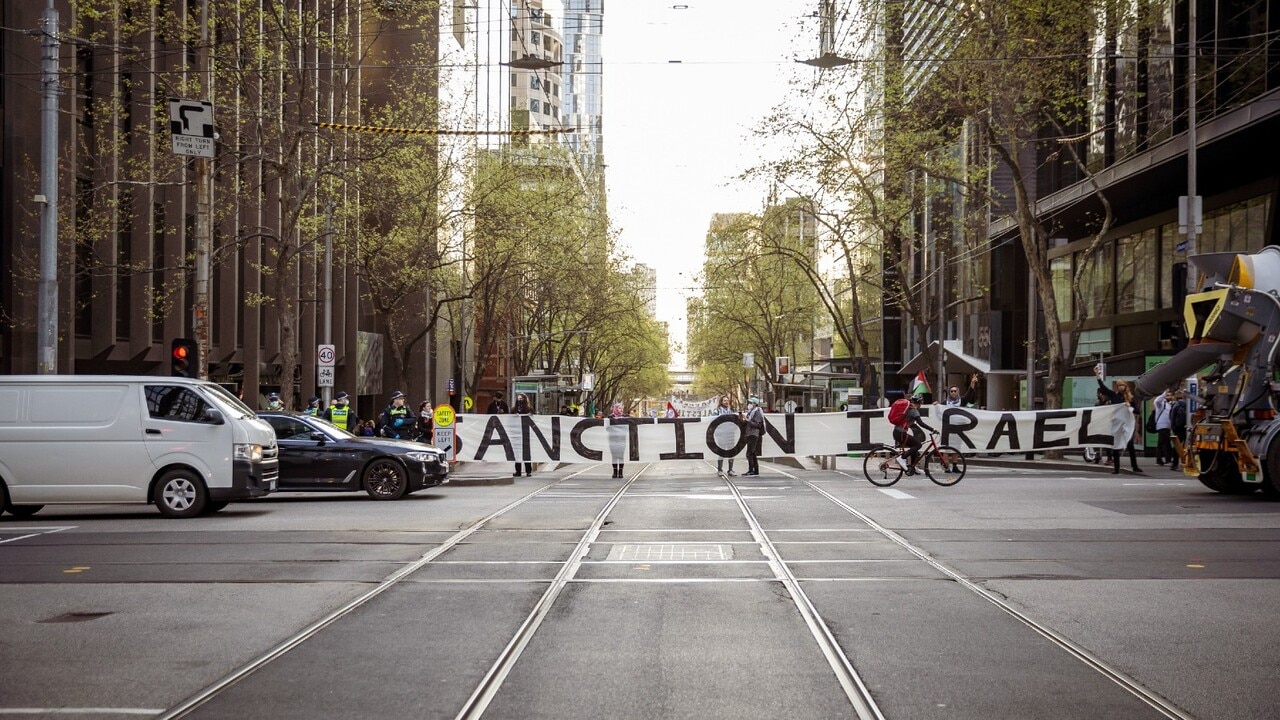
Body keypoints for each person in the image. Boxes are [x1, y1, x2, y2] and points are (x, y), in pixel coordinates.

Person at [1095, 366, 1142, 474]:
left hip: (1127, 424)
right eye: (1119, 385)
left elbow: (1137, 411)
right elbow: (1103, 387)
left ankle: (1135, 466)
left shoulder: (1130, 398)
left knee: (1130, 446)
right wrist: (1097, 376)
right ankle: (1116, 468)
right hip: (1117, 424)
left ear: (1125, 386)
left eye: (1122, 385)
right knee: (1116, 446)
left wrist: (1129, 406)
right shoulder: (1114, 396)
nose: (1121, 387)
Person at [890, 394, 936, 474]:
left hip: (897, 432)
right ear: (919, 403)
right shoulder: (914, 411)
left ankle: (913, 467)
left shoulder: (908, 409)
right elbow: (921, 423)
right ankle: (902, 458)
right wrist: (932, 429)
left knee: (914, 446)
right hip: (901, 433)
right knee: (918, 445)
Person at [711, 394, 738, 476]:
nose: (726, 402)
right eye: (725, 400)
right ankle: (720, 469)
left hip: (730, 434)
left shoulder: (731, 411)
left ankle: (730, 469)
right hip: (722, 435)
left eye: (727, 400)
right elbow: (712, 422)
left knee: (732, 452)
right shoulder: (717, 411)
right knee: (721, 452)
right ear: (721, 402)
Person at [743, 396, 765, 476]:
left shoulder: (757, 412)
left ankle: (751, 470)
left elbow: (758, 425)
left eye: (751, 403)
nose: (749, 404)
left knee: (749, 453)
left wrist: (747, 420)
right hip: (749, 434)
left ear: (755, 404)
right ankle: (755, 470)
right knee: (753, 453)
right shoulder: (751, 412)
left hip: (754, 434)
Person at [513, 393, 533, 477]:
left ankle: (528, 471)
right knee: (517, 454)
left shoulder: (529, 409)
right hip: (517, 434)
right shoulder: (514, 409)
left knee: (526, 454)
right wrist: (514, 415)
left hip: (526, 434)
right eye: (518, 398)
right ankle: (518, 471)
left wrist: (530, 415)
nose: (519, 400)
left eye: (521, 398)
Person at [1153, 388, 1175, 467]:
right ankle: (1167, 459)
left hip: (1167, 426)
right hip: (1162, 425)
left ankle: (1159, 460)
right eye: (1167, 395)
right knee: (1166, 443)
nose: (1168, 397)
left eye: (1170, 395)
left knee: (1160, 443)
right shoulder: (1161, 403)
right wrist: (1164, 393)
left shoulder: (1170, 404)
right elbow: (1157, 401)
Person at [608, 402, 628, 478]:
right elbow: (607, 427)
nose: (621, 410)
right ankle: (615, 471)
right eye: (619, 408)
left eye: (622, 408)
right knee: (614, 456)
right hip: (613, 439)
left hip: (622, 439)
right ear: (615, 408)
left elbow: (627, 427)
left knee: (621, 456)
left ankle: (621, 472)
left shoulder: (625, 417)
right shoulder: (610, 417)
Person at [1169, 389, 1188, 471]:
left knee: (1177, 445)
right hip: (1187, 427)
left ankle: (1174, 463)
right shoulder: (1190, 404)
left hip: (1177, 427)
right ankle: (1185, 462)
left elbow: (1172, 416)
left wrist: (1173, 426)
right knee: (1186, 446)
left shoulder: (1177, 404)